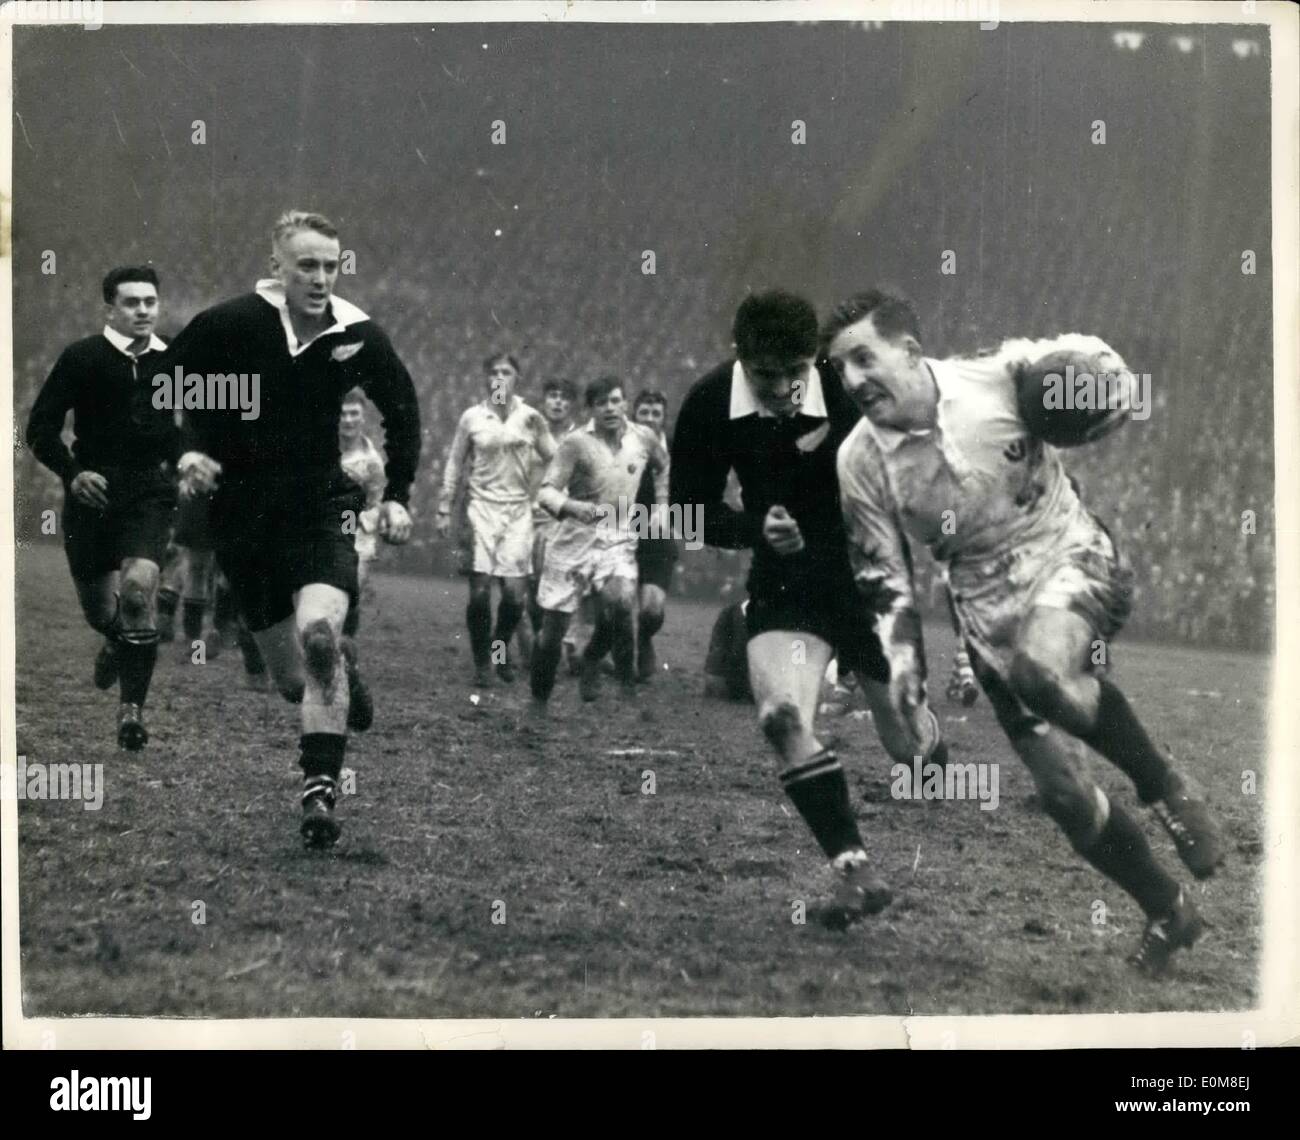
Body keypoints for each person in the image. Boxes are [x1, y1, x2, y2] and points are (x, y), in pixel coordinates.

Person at [825, 287, 1224, 974]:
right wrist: (904, 677)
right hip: (981, 607)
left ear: (911, 351)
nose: (854, 379)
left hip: (1066, 550)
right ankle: (1168, 908)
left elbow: (1101, 365)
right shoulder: (859, 463)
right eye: (840, 369)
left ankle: (1164, 786)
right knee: (1066, 798)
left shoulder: (1001, 374)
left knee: (1043, 672)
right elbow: (884, 579)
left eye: (865, 357)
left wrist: (1109, 391)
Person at [669, 290, 947, 929]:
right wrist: (752, 530)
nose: (783, 387)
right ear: (739, 356)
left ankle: (927, 740)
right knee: (781, 716)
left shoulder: (848, 389)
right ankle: (854, 871)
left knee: (907, 751)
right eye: (767, 375)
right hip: (787, 582)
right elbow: (690, 509)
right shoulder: (711, 403)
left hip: (866, 577)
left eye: (797, 371)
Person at [164, 210, 420, 849]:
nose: (321, 277)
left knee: (319, 634)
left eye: (331, 265)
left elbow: (404, 411)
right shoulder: (230, 323)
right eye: (307, 264)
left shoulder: (356, 332)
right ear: (277, 266)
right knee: (289, 680)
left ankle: (319, 793)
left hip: (320, 511)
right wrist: (187, 451)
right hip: (243, 520)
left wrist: (401, 496)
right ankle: (342, 673)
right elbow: (165, 385)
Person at [26, 265, 177, 749]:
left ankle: (130, 711)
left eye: (149, 302)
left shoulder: (174, 358)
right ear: (110, 307)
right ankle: (115, 640)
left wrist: (188, 460)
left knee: (137, 592)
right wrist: (73, 474)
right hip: (92, 491)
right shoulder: (82, 357)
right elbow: (40, 430)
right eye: (132, 303)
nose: (142, 311)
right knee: (99, 612)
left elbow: (192, 425)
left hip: (149, 492)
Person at [529, 376, 668, 707]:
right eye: (602, 403)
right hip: (574, 541)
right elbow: (545, 492)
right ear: (591, 408)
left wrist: (661, 507)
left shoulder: (643, 438)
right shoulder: (576, 444)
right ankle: (539, 698)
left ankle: (599, 664)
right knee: (551, 635)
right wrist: (573, 507)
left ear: (624, 403)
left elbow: (663, 466)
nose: (610, 408)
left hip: (618, 537)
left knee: (621, 603)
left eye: (616, 401)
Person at [435, 354, 555, 686]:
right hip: (480, 509)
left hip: (518, 513)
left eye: (507, 372)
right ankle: (483, 664)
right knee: (479, 593)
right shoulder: (472, 417)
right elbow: (455, 463)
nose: (500, 377)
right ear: (486, 379)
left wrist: (547, 494)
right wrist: (445, 507)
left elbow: (558, 460)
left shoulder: (531, 418)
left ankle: (499, 650)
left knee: (515, 597)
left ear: (518, 379)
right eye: (494, 372)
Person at [522, 377, 579, 665]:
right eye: (553, 396)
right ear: (544, 401)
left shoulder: (579, 438)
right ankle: (539, 640)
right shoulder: (529, 435)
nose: (558, 402)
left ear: (571, 404)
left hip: (564, 522)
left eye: (564, 397)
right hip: (530, 519)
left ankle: (561, 645)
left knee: (560, 587)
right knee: (531, 590)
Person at [629, 389, 679, 682]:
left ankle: (644, 638)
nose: (649, 419)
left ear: (664, 418)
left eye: (655, 414)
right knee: (617, 604)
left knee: (651, 610)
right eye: (644, 413)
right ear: (634, 415)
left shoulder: (675, 448)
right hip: (622, 529)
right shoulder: (619, 444)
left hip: (658, 534)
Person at [338, 389, 387, 637]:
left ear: (363, 417)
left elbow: (376, 502)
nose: (348, 419)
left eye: (353, 414)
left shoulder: (372, 461)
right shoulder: (321, 451)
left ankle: (348, 652)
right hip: (324, 530)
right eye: (343, 413)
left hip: (357, 535)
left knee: (352, 595)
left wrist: (362, 527)